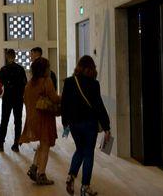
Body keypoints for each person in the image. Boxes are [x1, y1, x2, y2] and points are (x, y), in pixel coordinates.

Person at [61, 56, 110, 196]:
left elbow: (64, 104)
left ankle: (71, 175)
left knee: (80, 150)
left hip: (74, 124)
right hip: (90, 124)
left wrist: (66, 124)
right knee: (88, 153)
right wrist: (107, 127)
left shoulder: (69, 82)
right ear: (92, 68)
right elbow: (99, 106)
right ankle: (85, 186)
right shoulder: (94, 84)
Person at [19, 57, 61, 185]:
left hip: (32, 118)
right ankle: (41, 174)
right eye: (48, 67)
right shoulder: (46, 81)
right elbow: (54, 99)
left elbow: (25, 100)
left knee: (41, 145)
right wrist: (64, 96)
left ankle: (34, 167)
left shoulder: (30, 83)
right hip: (44, 118)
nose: (49, 69)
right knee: (45, 146)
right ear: (44, 69)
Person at [0, 49, 27, 153]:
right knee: (18, 121)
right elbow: (25, 83)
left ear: (6, 56)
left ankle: (1, 143)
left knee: (4, 120)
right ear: (15, 56)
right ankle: (16, 144)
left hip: (8, 97)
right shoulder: (20, 69)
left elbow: (1, 82)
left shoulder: (4, 69)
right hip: (18, 97)